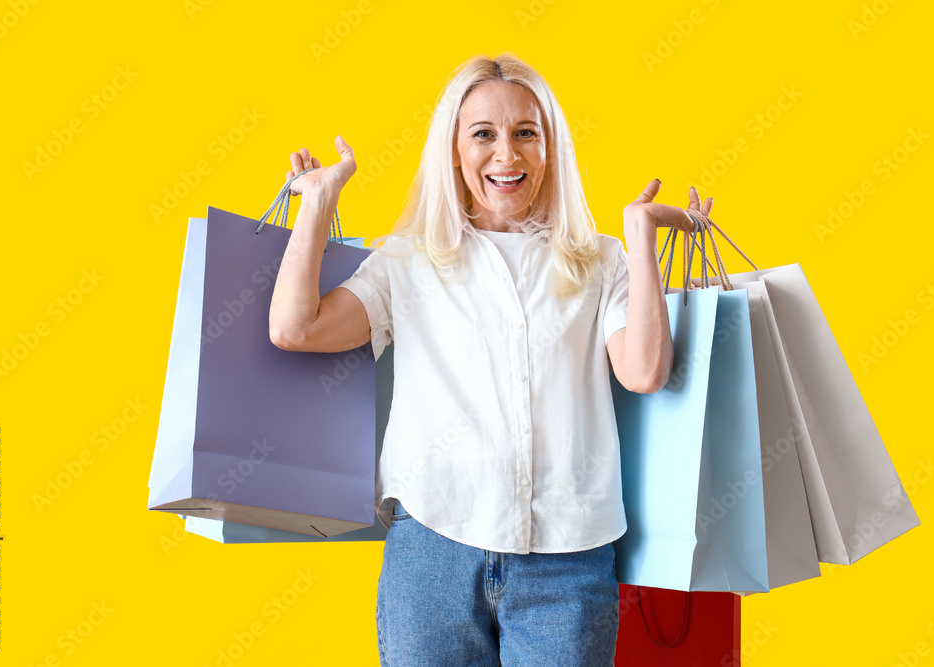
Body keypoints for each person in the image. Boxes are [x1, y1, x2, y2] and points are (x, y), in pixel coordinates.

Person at [268, 52, 710, 666]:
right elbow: (296, 328)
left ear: (550, 148)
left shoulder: (598, 260)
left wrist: (638, 239)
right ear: (454, 149)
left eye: (526, 133)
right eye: (484, 134)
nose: (507, 155)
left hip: (569, 563)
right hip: (433, 553)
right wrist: (316, 203)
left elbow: (644, 372)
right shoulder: (411, 260)